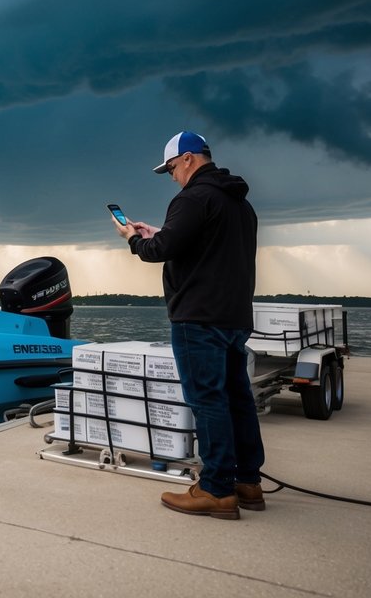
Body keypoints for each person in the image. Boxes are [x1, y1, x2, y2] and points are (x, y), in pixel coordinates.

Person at [113, 130, 263, 520]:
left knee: (207, 400)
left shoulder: (193, 197)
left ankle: (215, 490)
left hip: (197, 317)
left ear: (190, 159)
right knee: (237, 398)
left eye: (171, 169)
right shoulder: (239, 203)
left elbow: (159, 253)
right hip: (234, 317)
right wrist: (161, 233)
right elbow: (204, 247)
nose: (172, 177)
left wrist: (134, 239)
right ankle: (247, 481)